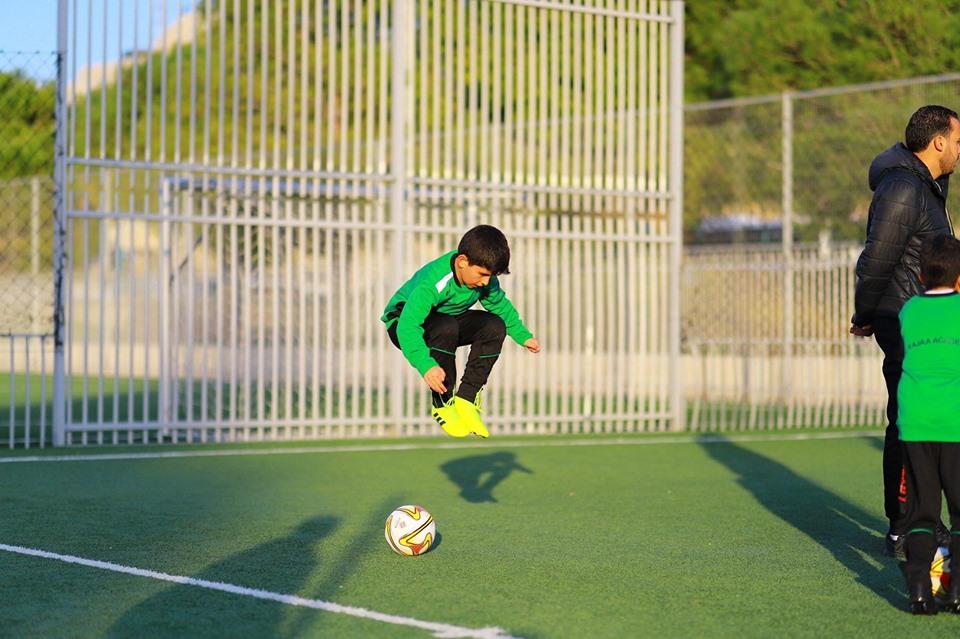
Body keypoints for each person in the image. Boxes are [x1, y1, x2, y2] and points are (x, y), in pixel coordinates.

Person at [850, 105, 960, 558]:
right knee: (909, 421)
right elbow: (877, 258)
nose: (959, 150)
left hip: (919, 317)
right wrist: (866, 313)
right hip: (903, 319)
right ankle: (906, 525)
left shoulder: (926, 186)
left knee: (925, 418)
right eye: (957, 141)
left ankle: (919, 520)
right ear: (938, 141)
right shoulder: (903, 187)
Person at [381, 224, 540, 438]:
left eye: (491, 276)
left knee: (494, 326)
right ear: (462, 262)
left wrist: (522, 335)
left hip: (447, 321)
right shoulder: (435, 282)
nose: (486, 282)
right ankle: (443, 403)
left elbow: (500, 306)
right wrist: (426, 366)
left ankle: (466, 400)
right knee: (445, 326)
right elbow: (408, 326)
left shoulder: (484, 279)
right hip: (401, 323)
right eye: (482, 274)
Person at [895, 234, 960, 615]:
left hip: (916, 421)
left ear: (920, 276)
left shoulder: (908, 311)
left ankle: (919, 589)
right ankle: (956, 591)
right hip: (955, 422)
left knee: (923, 510)